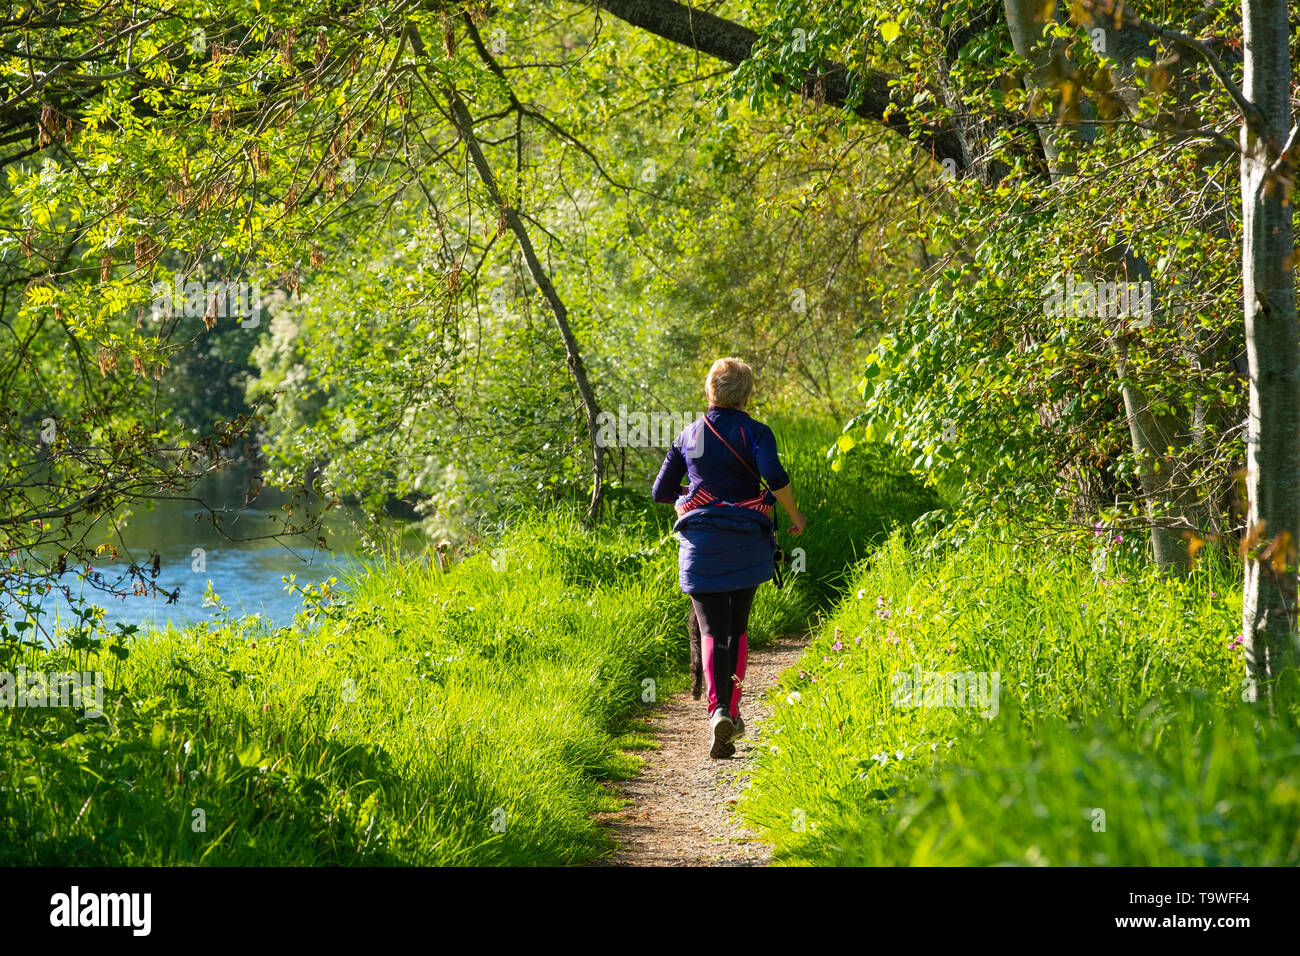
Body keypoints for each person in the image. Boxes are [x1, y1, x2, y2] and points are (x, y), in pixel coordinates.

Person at [651, 357, 806, 758]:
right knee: (736, 629)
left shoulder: (690, 435)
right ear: (747, 394)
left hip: (701, 548)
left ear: (710, 391)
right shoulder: (756, 432)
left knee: (710, 631)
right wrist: (794, 515)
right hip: (747, 544)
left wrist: (695, 494)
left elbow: (660, 492)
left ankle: (717, 709)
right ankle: (729, 710)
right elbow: (774, 476)